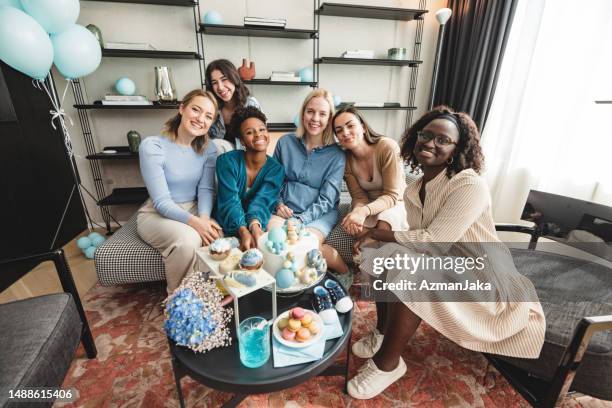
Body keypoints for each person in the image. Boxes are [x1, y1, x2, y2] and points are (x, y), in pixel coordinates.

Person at [347, 106, 546, 399]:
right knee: (384, 255)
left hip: (482, 274)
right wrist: (380, 240)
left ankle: (387, 364)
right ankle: (383, 333)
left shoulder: (469, 184)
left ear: (455, 150)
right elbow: (418, 236)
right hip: (447, 262)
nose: (430, 143)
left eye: (442, 140)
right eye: (426, 135)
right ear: (415, 139)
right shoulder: (416, 188)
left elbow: (434, 241)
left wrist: (377, 231)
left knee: (410, 269)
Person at [137, 89, 221, 294]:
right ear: (182, 108)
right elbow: (162, 202)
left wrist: (204, 218)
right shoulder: (153, 146)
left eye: (208, 116)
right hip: (158, 213)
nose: (201, 119)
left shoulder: (209, 149)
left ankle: (208, 294)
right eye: (196, 110)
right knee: (188, 241)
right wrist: (196, 225)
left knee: (217, 236)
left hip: (194, 208)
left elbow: (206, 189)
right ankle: (180, 302)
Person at [271, 89, 349, 275]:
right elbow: (272, 181)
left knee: (306, 246)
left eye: (322, 114)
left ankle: (346, 274)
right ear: (303, 113)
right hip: (285, 208)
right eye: (310, 111)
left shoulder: (337, 154)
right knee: (273, 241)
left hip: (318, 213)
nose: (315, 118)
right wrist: (278, 203)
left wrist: (301, 220)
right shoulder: (285, 142)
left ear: (330, 118)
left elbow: (328, 199)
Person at [332, 106, 408, 247]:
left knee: (385, 223)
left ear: (363, 128)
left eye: (350, 126)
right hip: (367, 204)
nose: (345, 133)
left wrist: (363, 212)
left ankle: (372, 255)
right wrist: (357, 213)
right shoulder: (345, 160)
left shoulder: (387, 147)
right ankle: (367, 253)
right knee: (354, 227)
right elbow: (359, 197)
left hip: (395, 202)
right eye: (339, 130)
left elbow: (391, 195)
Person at [215, 106, 285, 251]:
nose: (258, 135)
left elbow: (263, 201)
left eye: (262, 129)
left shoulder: (276, 169)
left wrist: (254, 226)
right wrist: (243, 230)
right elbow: (229, 201)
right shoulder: (227, 162)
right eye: (249, 132)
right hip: (227, 221)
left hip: (256, 220)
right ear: (241, 140)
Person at [205, 59, 261, 151]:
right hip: (216, 158)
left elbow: (258, 140)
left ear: (234, 78)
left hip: (243, 158)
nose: (220, 87)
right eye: (214, 83)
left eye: (224, 79)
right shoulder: (211, 107)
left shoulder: (250, 104)